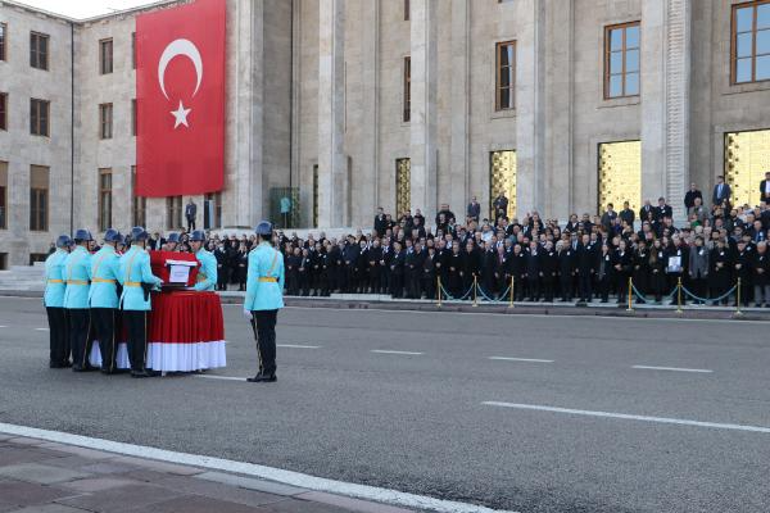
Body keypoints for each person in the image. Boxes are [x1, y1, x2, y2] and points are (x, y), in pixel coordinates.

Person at [118, 227, 163, 378]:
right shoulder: (143, 255)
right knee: (140, 335)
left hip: (126, 297)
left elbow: (120, 277)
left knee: (131, 335)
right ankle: (139, 366)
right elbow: (147, 277)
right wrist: (160, 280)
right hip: (138, 299)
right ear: (143, 240)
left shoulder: (124, 256)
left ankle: (133, 366)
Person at [244, 221, 285, 383]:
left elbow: (252, 282)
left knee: (261, 338)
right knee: (270, 335)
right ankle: (271, 370)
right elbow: (281, 280)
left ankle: (265, 371)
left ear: (259, 236)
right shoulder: (278, 254)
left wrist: (247, 305)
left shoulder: (255, 254)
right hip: (273, 297)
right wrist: (277, 296)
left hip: (260, 299)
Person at [89, 229, 122, 373]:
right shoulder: (113, 257)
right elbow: (121, 278)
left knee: (101, 333)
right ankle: (109, 364)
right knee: (110, 333)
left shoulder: (96, 256)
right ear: (115, 242)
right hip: (107, 298)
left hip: (94, 296)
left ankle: (104, 363)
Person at [63, 229, 94, 372]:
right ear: (85, 242)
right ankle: (82, 362)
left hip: (69, 298)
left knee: (74, 331)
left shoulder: (69, 256)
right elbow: (92, 276)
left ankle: (76, 360)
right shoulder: (86, 257)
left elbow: (64, 277)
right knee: (84, 331)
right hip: (82, 298)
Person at [44, 235, 72, 368]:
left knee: (54, 330)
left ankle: (53, 357)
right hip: (60, 297)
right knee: (63, 330)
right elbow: (66, 278)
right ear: (67, 245)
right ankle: (61, 359)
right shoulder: (65, 257)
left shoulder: (50, 257)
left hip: (49, 296)